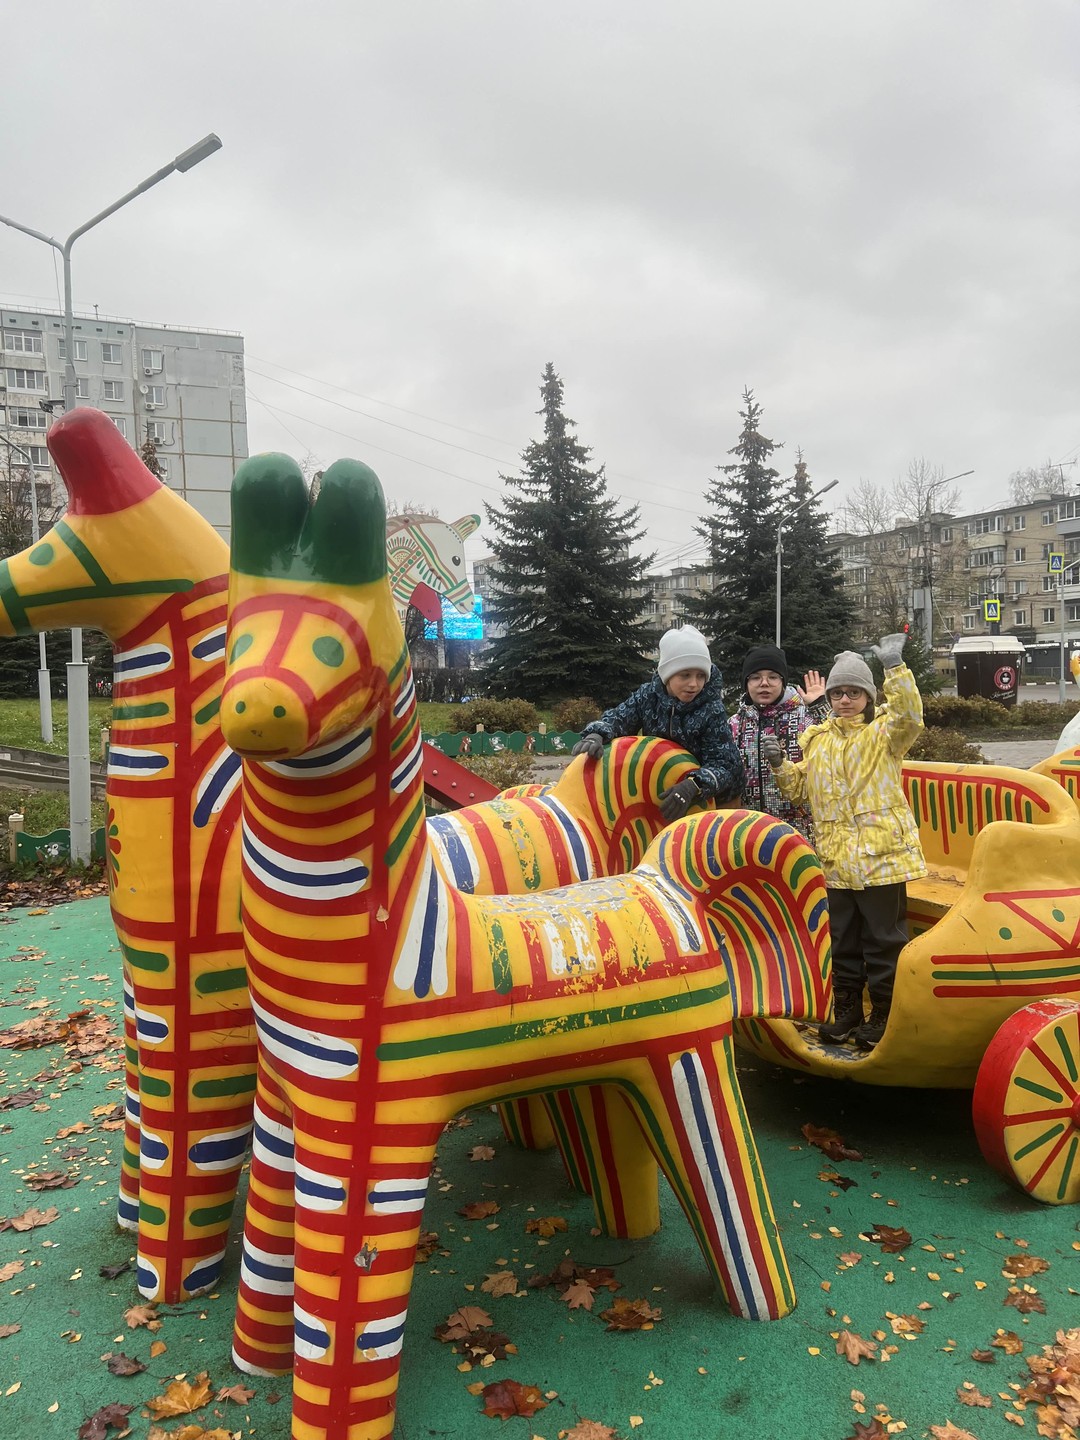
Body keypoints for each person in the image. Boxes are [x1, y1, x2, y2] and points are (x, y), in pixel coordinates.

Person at [761, 634, 926, 1050]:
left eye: (853, 692)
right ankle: (848, 1008)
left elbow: (910, 715)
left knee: (884, 940)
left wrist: (893, 666)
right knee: (843, 940)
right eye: (838, 693)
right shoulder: (818, 740)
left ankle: (884, 1014)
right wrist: (781, 765)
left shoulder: (884, 734)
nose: (845, 699)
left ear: (868, 697)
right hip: (835, 862)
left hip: (880, 860)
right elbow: (800, 790)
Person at [572, 624, 745, 822]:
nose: (694, 684)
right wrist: (598, 733)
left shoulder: (711, 709)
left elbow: (723, 765)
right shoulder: (648, 696)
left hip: (718, 797)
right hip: (671, 789)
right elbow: (620, 718)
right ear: (667, 675)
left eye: (700, 676)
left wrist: (693, 785)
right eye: (685, 675)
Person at [730, 643, 828, 840]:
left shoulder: (807, 719)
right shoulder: (733, 725)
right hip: (749, 835)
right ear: (746, 683)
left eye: (773, 677)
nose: (764, 683)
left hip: (801, 835)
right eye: (756, 677)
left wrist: (821, 706)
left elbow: (845, 740)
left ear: (783, 681)